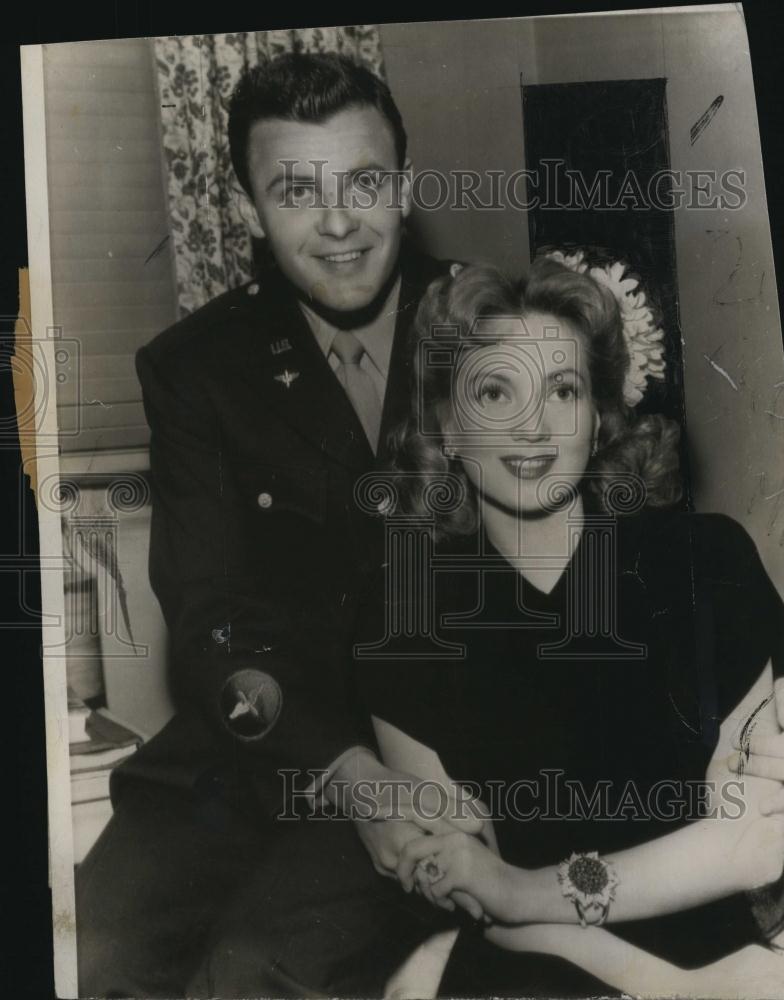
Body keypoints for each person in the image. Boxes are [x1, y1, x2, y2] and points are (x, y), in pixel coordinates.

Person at [75, 52, 477, 999]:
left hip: (432, 761)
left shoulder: (487, 323)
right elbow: (211, 613)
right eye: (297, 190)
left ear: (404, 187)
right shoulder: (197, 368)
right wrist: (344, 775)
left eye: (365, 183)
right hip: (249, 751)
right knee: (95, 951)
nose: (339, 223)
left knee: (252, 972)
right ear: (251, 207)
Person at [355, 256, 784, 998]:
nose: (531, 425)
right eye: (495, 390)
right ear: (445, 422)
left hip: (722, 963)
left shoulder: (703, 562)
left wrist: (527, 891)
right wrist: (654, 986)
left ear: (598, 415)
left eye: (562, 390)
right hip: (542, 970)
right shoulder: (403, 616)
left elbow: (753, 845)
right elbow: (474, 894)